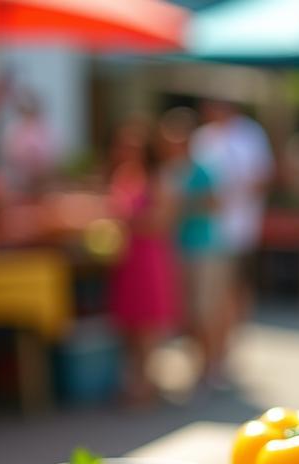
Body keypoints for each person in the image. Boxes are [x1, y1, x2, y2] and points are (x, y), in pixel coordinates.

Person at [191, 99, 273, 376]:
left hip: (237, 231)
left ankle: (225, 350)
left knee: (230, 293)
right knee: (211, 299)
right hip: (206, 232)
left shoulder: (249, 135)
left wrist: (231, 193)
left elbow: (262, 178)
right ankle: (215, 353)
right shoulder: (203, 137)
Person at [108, 124, 181, 404]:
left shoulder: (159, 179)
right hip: (127, 258)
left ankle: (147, 384)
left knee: (148, 325)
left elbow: (162, 221)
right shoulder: (123, 176)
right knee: (130, 323)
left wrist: (127, 222)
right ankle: (136, 381)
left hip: (149, 257)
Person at [158, 107, 229, 383]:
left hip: (204, 248)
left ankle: (211, 366)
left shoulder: (201, 170)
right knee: (187, 313)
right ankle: (200, 364)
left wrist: (182, 205)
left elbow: (214, 204)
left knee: (204, 311)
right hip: (181, 248)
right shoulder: (171, 170)